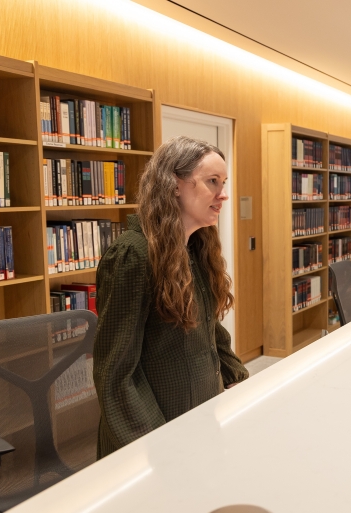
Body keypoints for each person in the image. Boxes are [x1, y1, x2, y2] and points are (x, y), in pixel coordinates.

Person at [93, 136, 249, 459]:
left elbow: (207, 329)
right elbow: (116, 374)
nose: (224, 194)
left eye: (224, 182)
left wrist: (236, 377)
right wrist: (159, 444)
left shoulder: (195, 248)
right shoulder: (132, 255)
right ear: (175, 184)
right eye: (212, 182)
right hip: (153, 442)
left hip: (197, 425)